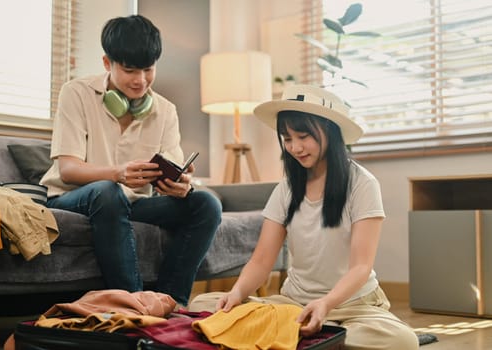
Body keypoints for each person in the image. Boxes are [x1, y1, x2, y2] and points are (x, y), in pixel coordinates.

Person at [189, 85, 419, 349]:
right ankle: (317, 339)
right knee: (203, 304)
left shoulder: (363, 184)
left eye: (303, 136)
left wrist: (325, 304)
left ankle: (299, 337)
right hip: (293, 304)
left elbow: (360, 267)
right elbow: (262, 260)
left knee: (404, 341)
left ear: (330, 132)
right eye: (287, 139)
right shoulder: (285, 189)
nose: (295, 147)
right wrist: (237, 293)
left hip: (352, 306)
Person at [40, 14, 222, 307]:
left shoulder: (165, 110)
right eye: (129, 70)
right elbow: (69, 169)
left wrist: (180, 185)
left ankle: (170, 302)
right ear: (106, 63)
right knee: (107, 191)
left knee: (206, 203)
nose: (140, 80)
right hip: (75, 199)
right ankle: (135, 305)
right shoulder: (76, 93)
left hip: (130, 204)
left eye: (148, 70)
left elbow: (170, 176)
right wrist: (117, 173)